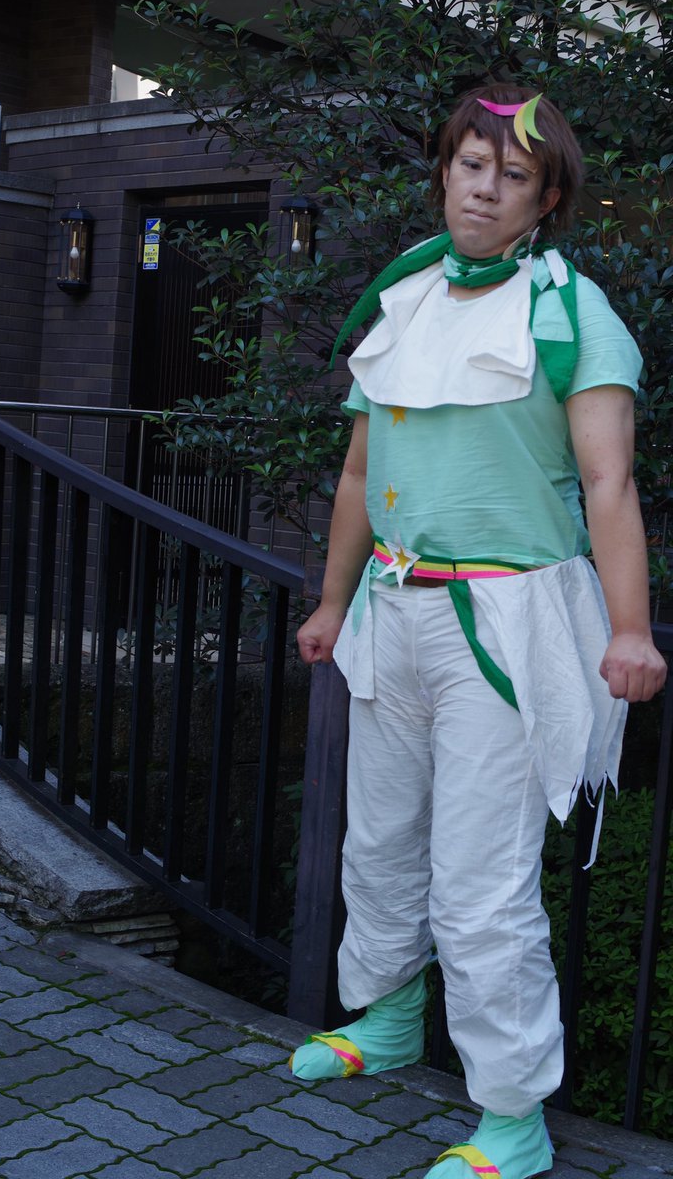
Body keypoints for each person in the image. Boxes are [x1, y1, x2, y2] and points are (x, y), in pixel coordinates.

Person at [293, 83, 667, 1179]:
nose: (484, 189)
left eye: (512, 175)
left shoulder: (572, 314)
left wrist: (631, 630)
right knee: (378, 840)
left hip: (505, 628)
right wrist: (331, 602)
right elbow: (359, 474)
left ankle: (512, 1114)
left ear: (544, 199)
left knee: (480, 879)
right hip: (392, 611)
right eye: (470, 165)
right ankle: (386, 1017)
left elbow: (608, 484)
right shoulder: (402, 299)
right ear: (444, 173)